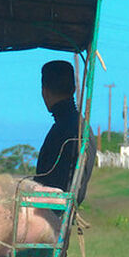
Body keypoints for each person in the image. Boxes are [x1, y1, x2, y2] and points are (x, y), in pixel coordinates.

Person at [34, 60, 87, 198]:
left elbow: (51, 186)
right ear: (74, 89)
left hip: (51, 213)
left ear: (44, 91)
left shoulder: (62, 131)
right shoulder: (80, 126)